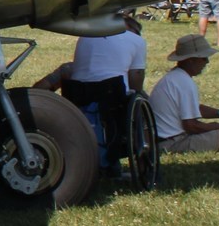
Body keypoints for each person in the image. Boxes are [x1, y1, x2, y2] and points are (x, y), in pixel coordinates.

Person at [34, 10, 147, 176]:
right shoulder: (136, 41)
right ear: (130, 29)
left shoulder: (85, 38)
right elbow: (136, 79)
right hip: (112, 96)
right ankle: (141, 162)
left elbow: (39, 88)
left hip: (78, 94)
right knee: (139, 102)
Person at [149, 33, 219, 153]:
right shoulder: (185, 83)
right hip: (172, 142)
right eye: (204, 58)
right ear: (191, 60)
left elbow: (193, 108)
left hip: (163, 139)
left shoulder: (176, 78)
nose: (207, 62)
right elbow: (191, 126)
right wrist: (217, 127)